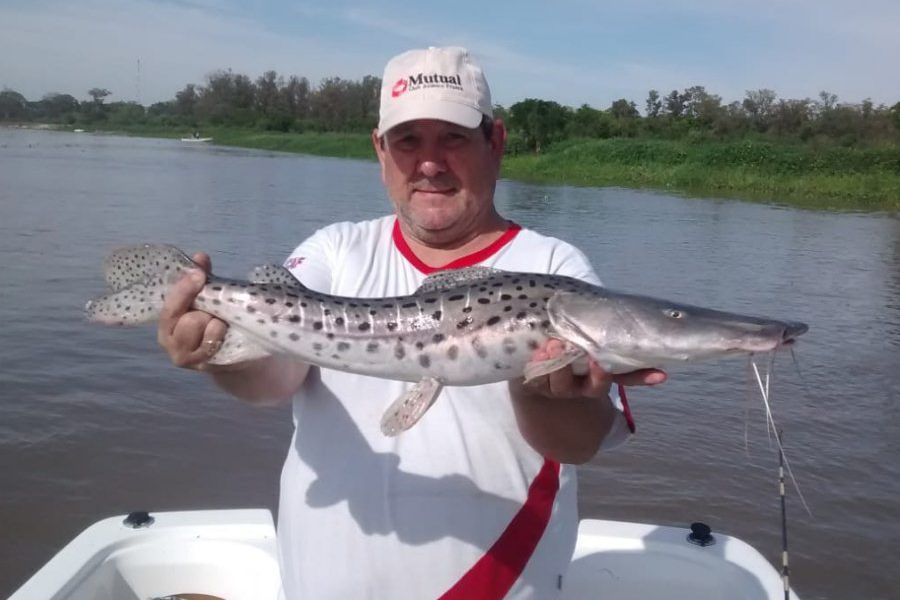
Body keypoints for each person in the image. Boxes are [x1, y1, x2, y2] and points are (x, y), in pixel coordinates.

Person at [158, 46, 666, 599]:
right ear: (380, 150)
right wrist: (218, 353)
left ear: (494, 142)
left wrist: (547, 394)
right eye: (408, 141)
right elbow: (273, 379)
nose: (429, 163)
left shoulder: (555, 268)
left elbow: (578, 444)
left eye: (452, 138)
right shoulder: (334, 250)